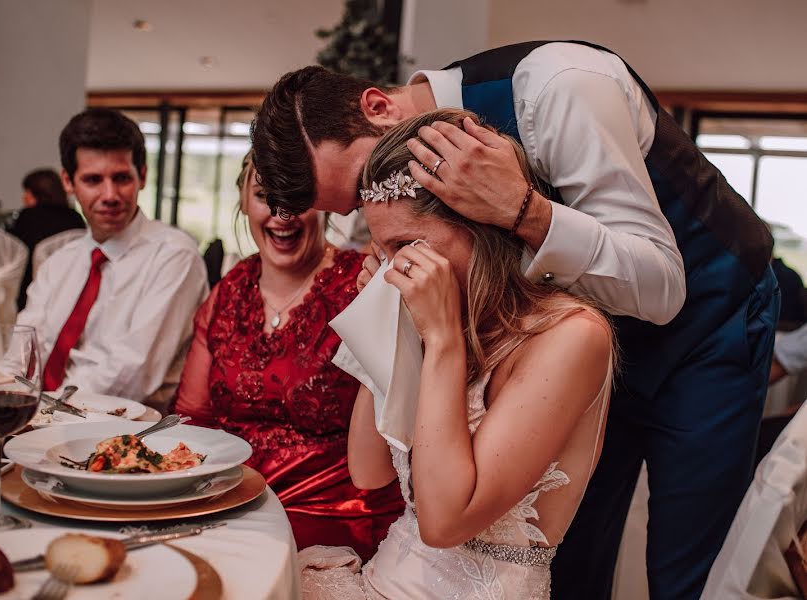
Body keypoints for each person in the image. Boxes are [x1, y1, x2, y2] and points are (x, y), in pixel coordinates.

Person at [251, 41, 779, 600]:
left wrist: (523, 210)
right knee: (559, 551)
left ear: (380, 108)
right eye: (357, 208)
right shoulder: (429, 243)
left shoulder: (562, 86)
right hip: (552, 342)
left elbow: (664, 288)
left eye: (363, 183)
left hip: (704, 324)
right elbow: (383, 472)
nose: (375, 205)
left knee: (687, 567)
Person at [299, 109, 614, 599]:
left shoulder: (571, 336)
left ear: (478, 226)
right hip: (384, 579)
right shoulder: (449, 318)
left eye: (407, 245)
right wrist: (385, 324)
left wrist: (443, 339)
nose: (393, 270)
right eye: (383, 253)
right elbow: (368, 469)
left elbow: (445, 522)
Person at [173, 152, 403, 560]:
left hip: (334, 518)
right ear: (244, 200)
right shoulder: (229, 291)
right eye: (264, 195)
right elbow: (195, 417)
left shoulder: (363, 285)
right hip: (228, 507)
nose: (282, 215)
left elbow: (395, 430)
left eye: (297, 198)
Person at [17, 108, 207, 411]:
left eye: (121, 178)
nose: (110, 194)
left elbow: (131, 375)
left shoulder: (174, 256)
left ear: (142, 176)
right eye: (93, 180)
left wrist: (44, 411)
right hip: (40, 416)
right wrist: (3, 395)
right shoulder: (59, 261)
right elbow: (24, 347)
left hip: (124, 430)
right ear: (68, 182)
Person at [9, 168, 86, 310]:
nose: (23, 197)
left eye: (27, 191)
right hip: (76, 287)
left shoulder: (28, 217)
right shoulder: (75, 216)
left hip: (32, 290)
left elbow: (14, 254)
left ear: (37, 193)